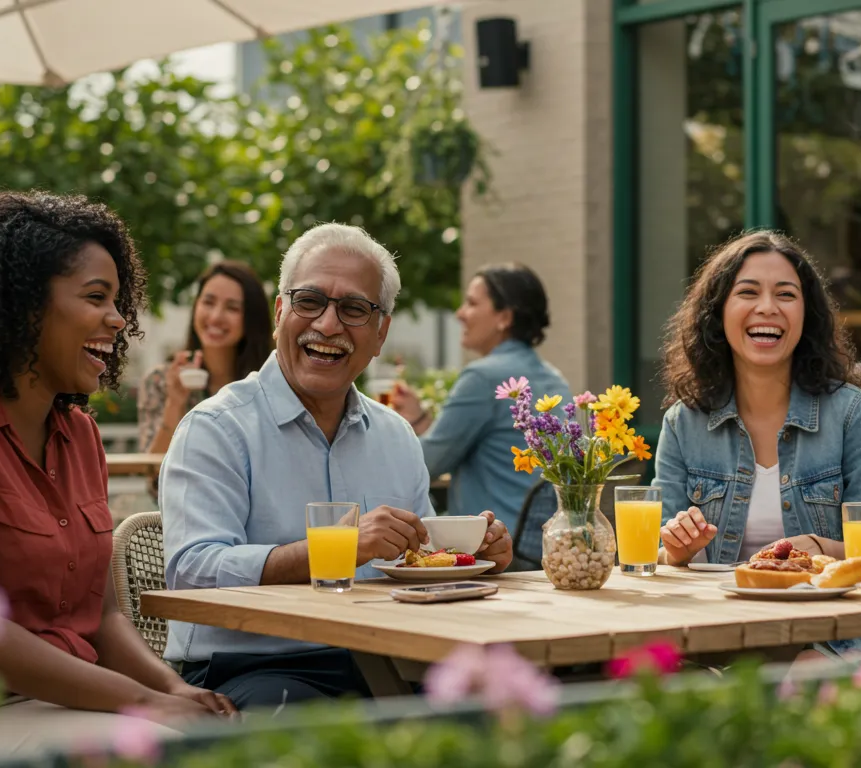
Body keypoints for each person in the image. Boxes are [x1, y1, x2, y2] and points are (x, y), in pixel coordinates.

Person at [0, 192, 233, 762]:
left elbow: (99, 618)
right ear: (23, 305)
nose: (119, 319)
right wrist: (141, 703)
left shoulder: (80, 436)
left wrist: (172, 687)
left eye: (119, 301)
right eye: (96, 297)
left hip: (69, 700)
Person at [158, 222, 515, 710]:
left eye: (353, 309)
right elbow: (190, 570)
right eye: (309, 301)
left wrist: (474, 554)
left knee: (509, 709)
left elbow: (416, 558)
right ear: (281, 310)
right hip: (255, 667)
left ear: (380, 333)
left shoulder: (397, 436)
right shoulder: (216, 428)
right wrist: (336, 549)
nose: (327, 325)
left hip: (390, 658)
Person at [650, 230, 861, 659]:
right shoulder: (683, 423)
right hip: (717, 641)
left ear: (807, 315)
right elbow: (655, 557)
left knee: (805, 675)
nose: (767, 307)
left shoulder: (851, 414)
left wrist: (820, 550)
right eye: (748, 292)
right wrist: (675, 551)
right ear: (718, 312)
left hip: (834, 636)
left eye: (786, 294)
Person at [389, 264, 572, 525]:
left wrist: (382, 436)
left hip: (494, 547)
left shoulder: (483, 377)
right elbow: (489, 448)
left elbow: (423, 466)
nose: (460, 313)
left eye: (472, 303)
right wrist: (420, 420)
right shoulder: (553, 378)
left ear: (504, 318)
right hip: (542, 542)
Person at [137, 260, 273, 455]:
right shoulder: (160, 380)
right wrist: (174, 403)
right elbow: (153, 476)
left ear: (252, 319)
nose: (216, 316)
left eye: (232, 308)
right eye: (208, 302)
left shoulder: (267, 384)